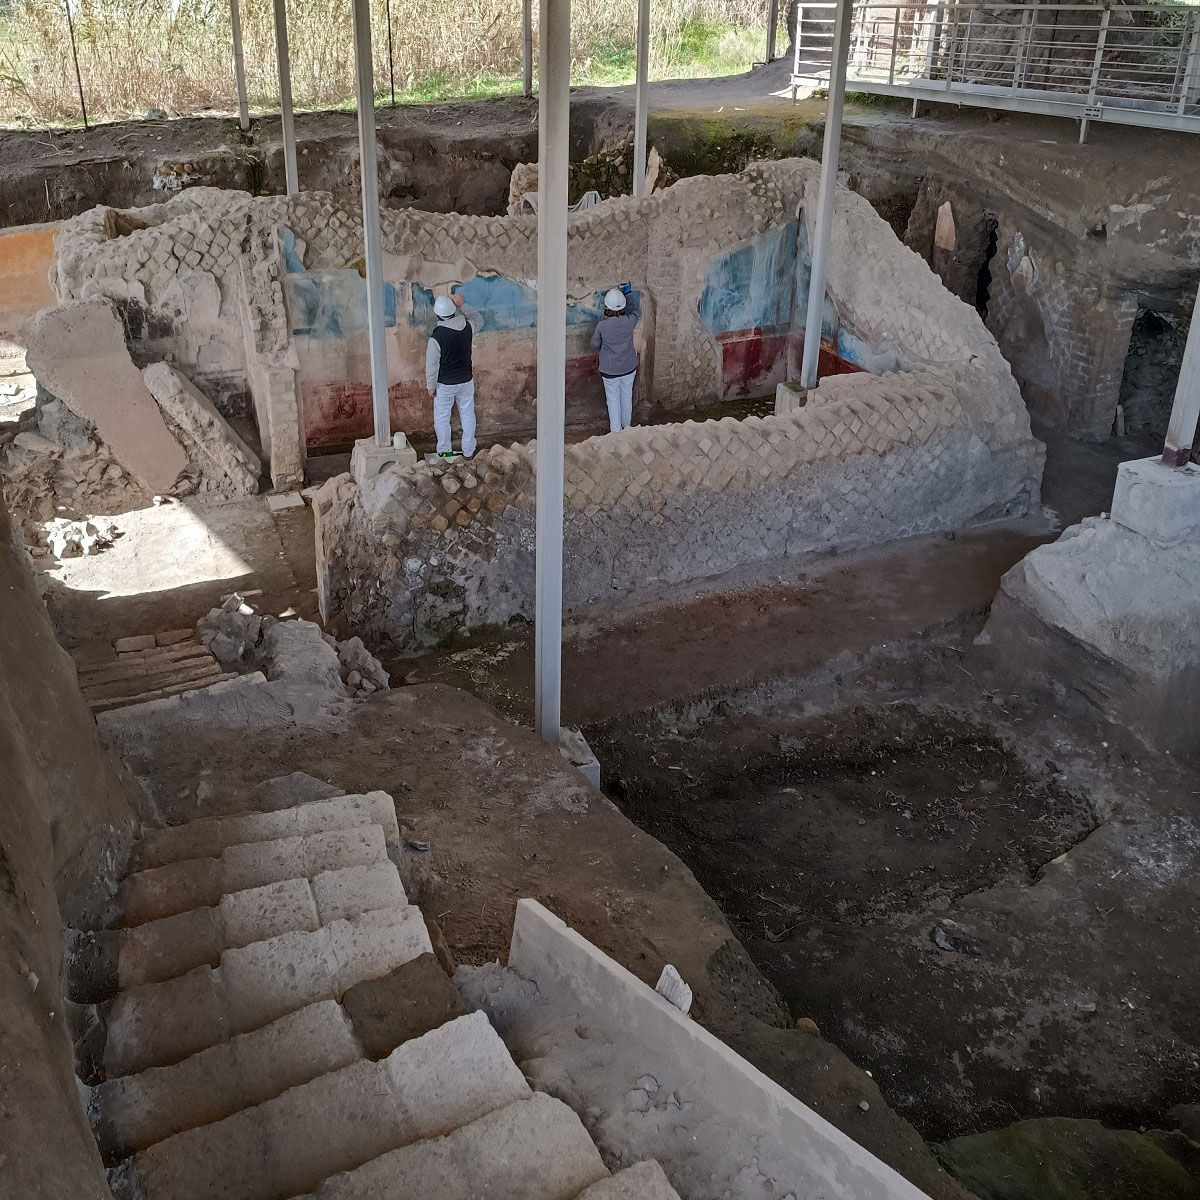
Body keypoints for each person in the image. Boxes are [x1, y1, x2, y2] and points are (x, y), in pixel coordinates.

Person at [426, 292, 484, 459]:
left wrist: (430, 386)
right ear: (454, 310)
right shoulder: (467, 327)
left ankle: (445, 451)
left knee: (442, 418)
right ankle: (468, 450)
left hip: (445, 385)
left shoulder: (436, 336)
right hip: (466, 380)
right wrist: (463, 305)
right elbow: (479, 320)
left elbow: (432, 365)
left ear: (437, 314)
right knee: (467, 414)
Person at [591, 283, 642, 433]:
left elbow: (594, 344)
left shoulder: (602, 326)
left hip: (610, 370)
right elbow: (635, 311)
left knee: (613, 400)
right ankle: (627, 428)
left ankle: (616, 433)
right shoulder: (629, 321)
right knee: (626, 397)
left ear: (607, 307)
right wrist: (629, 293)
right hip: (628, 367)